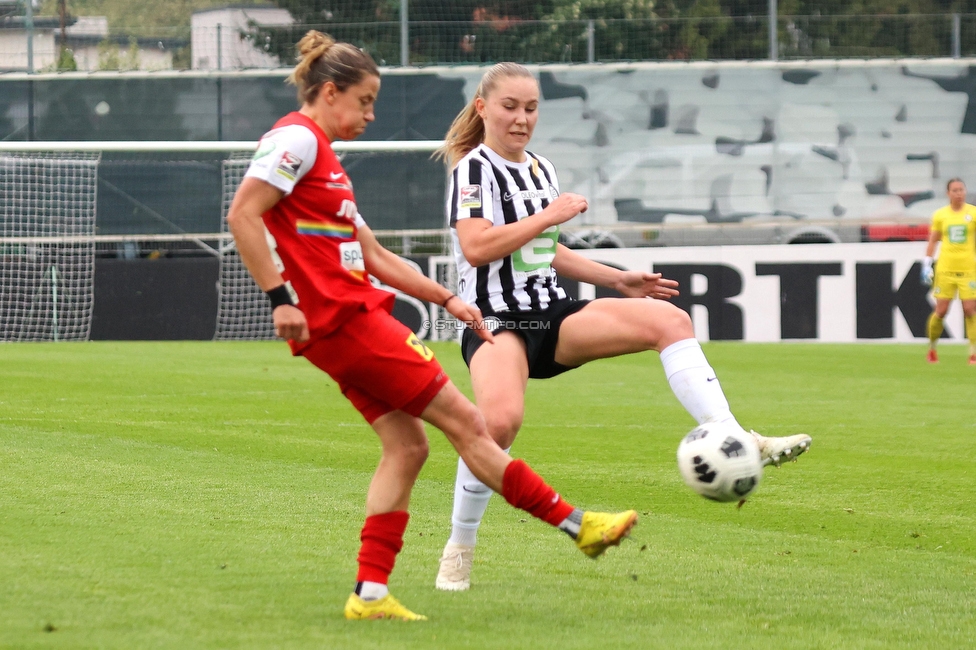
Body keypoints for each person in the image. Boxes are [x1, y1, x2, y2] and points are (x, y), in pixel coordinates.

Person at [226, 33, 639, 622]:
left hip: (339, 327)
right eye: (364, 101)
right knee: (471, 425)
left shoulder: (324, 159)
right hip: (349, 323)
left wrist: (447, 297)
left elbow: (374, 256)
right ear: (329, 91)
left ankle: (369, 594)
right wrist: (279, 298)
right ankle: (579, 525)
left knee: (407, 447)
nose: (370, 115)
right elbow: (243, 212)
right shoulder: (296, 139)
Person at [433, 62, 813, 592]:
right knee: (497, 427)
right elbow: (476, 248)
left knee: (670, 320)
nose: (522, 119)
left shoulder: (540, 169)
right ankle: (460, 546)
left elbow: (548, 252)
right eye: (510, 107)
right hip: (496, 322)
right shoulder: (473, 170)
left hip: (554, 315)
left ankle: (737, 437)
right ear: (483, 108)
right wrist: (549, 216)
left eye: (531, 108)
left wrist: (619, 280)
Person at [921, 178, 976, 364]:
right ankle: (932, 347)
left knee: (970, 309)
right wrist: (927, 264)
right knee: (941, 310)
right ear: (948, 193)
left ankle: (973, 353)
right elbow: (933, 240)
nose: (959, 193)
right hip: (946, 270)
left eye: (961, 189)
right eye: (955, 190)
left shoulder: (973, 213)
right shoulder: (940, 215)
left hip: (968, 269)